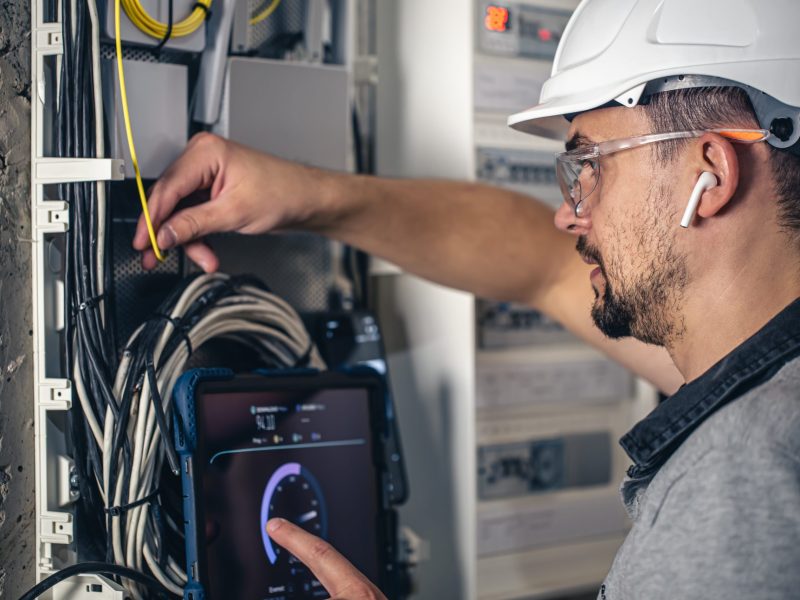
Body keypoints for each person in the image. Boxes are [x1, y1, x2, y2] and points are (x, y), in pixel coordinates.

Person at [135, 0, 800, 597]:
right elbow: (536, 261)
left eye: (593, 164)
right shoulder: (772, 381)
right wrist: (310, 196)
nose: (572, 215)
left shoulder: (742, 480)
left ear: (709, 174)